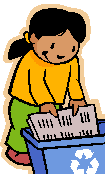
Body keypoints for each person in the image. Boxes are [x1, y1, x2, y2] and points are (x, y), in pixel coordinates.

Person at [5, 8, 87, 165]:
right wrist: (44, 102)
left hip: (54, 102)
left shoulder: (72, 61)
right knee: (23, 127)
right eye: (52, 46)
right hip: (24, 103)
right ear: (33, 38)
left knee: (48, 129)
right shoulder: (30, 60)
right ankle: (16, 151)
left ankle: (41, 151)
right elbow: (36, 84)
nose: (62, 54)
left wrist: (77, 99)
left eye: (72, 48)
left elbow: (73, 81)